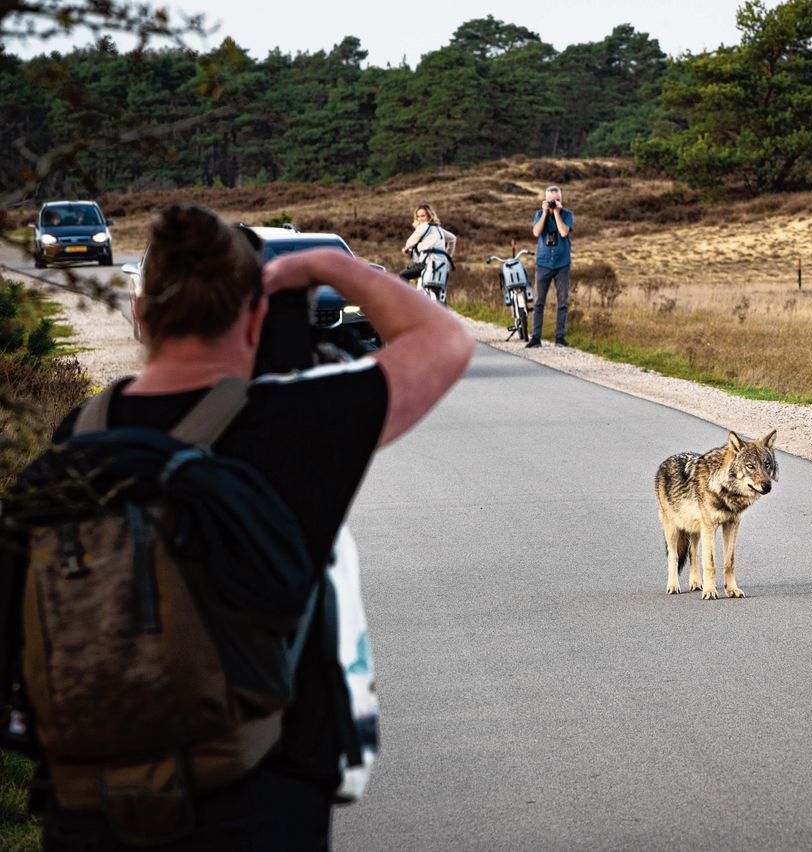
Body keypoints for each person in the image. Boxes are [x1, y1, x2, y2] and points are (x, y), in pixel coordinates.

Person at [39, 204, 474, 849]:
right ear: (254, 314)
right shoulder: (301, 420)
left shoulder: (80, 433)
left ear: (140, 314)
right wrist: (328, 263)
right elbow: (446, 341)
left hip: (93, 799)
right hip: (262, 793)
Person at [527, 185, 574, 348]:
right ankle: (536, 337)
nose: (554, 202)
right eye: (551, 200)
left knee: (562, 301)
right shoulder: (540, 214)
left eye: (557, 200)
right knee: (539, 301)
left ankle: (559, 337)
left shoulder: (567, 214)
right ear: (546, 200)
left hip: (562, 263)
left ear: (561, 199)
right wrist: (546, 212)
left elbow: (563, 232)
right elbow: (536, 232)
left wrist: (556, 212)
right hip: (544, 262)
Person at [398, 203, 457, 283]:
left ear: (429, 216)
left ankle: (406, 295)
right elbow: (453, 239)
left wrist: (405, 249)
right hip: (441, 265)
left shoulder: (424, 226)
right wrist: (447, 256)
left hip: (427, 264)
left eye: (423, 216)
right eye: (418, 216)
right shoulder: (439, 229)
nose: (420, 219)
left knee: (402, 275)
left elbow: (409, 242)